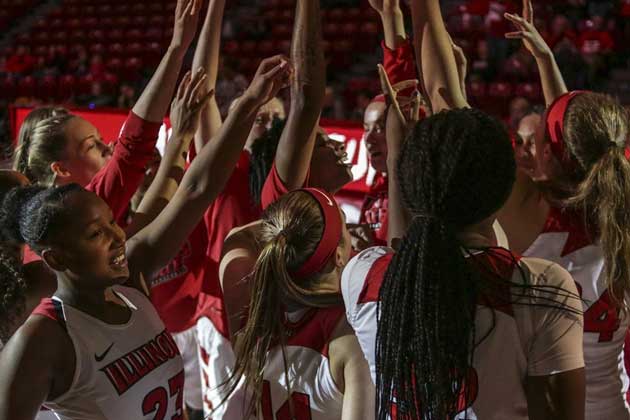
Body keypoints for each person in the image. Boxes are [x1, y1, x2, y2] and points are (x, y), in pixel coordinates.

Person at [0, 52, 291, 420]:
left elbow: (197, 188)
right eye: (95, 233)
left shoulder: (131, 275)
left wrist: (249, 103)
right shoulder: (41, 340)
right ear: (56, 258)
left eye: (111, 222)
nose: (117, 236)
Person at [418, 0, 628, 417]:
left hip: (541, 408)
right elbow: (582, 143)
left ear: (551, 151)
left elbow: (447, 98)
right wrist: (548, 66)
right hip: (611, 408)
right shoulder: (621, 204)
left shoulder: (527, 206)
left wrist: (425, 9)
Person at [342, 102, 585, 418]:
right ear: (502, 191)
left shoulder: (360, 276)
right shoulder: (539, 286)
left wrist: (397, 155)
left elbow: (406, 250)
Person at [202, 1, 352, 417]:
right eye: (321, 141)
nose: (337, 143)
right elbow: (306, 98)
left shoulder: (312, 222)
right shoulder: (284, 202)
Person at [223, 188, 374, 420]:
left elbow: (236, 237)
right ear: (339, 256)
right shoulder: (350, 336)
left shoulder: (254, 321)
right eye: (345, 225)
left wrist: (288, 227)